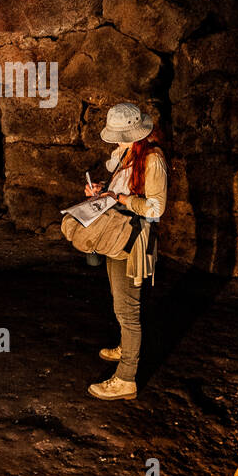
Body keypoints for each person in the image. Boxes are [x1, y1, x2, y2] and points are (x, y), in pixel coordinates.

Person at [84, 102, 168, 401]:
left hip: (133, 240)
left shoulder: (152, 160)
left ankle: (126, 378)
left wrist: (121, 198)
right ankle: (125, 346)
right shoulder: (126, 154)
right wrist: (102, 193)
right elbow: (118, 185)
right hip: (117, 235)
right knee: (121, 300)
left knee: (128, 310)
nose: (115, 140)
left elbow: (156, 208)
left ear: (136, 133)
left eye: (120, 135)